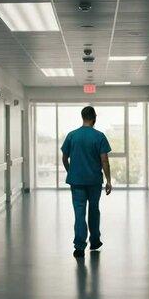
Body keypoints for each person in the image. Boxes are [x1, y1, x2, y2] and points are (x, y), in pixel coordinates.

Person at [61, 106, 112, 258]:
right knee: (94, 210)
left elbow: (64, 158)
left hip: (76, 181)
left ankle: (79, 247)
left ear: (82, 117)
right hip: (94, 181)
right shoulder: (99, 136)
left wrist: (71, 171)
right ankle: (95, 241)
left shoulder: (72, 135)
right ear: (94, 117)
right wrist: (109, 180)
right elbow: (104, 160)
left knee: (79, 212)